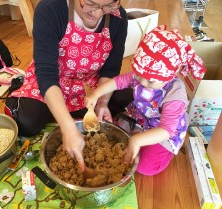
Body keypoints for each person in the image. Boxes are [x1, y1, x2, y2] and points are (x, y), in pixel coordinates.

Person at [4, 0, 133, 171]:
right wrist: (67, 127)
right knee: (27, 121)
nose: (98, 14)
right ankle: (23, 92)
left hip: (89, 84)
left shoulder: (118, 16)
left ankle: (62, 112)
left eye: (108, 6)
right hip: (53, 80)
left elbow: (110, 69)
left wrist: (102, 102)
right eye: (91, 4)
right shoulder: (50, 9)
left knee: (130, 95)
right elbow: (47, 75)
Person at [84, 25, 207, 176]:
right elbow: (118, 81)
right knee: (113, 137)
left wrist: (137, 141)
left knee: (144, 166)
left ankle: (159, 151)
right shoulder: (142, 74)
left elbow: (166, 130)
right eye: (139, 74)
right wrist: (95, 95)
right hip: (140, 116)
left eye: (150, 82)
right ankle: (136, 136)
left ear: (171, 74)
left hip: (162, 130)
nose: (142, 82)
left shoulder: (175, 94)